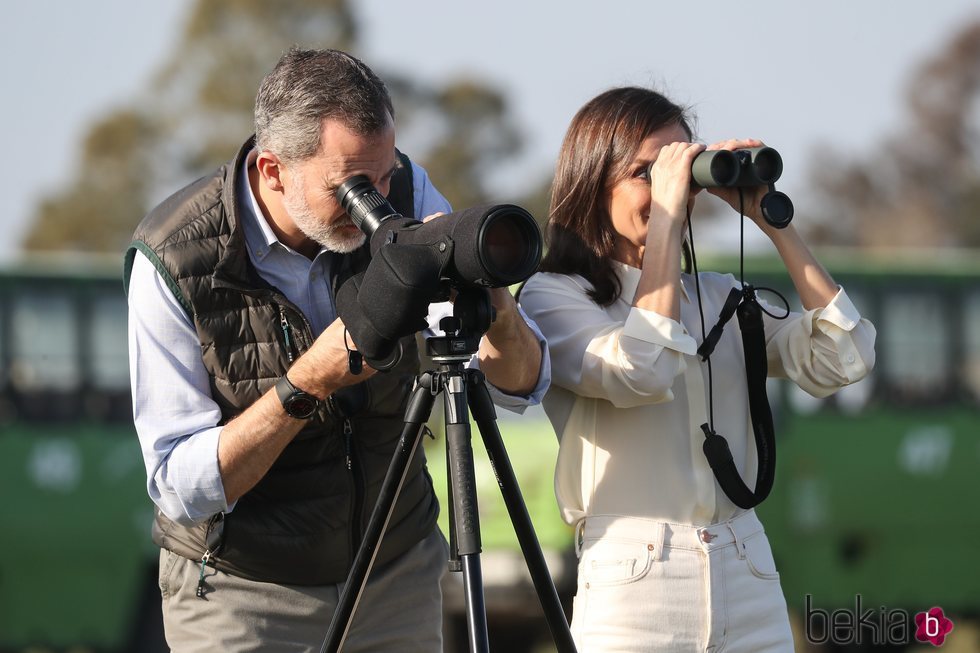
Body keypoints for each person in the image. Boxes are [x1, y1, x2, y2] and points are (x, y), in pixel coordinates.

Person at [124, 47, 549, 652]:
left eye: (383, 176)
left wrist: (498, 311)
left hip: (392, 573)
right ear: (273, 170)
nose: (377, 204)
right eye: (351, 187)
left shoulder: (404, 187)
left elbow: (520, 384)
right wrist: (303, 387)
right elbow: (178, 485)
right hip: (246, 593)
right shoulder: (172, 259)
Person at [518, 86, 876, 652]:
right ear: (593, 181)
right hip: (635, 581)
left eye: (686, 169)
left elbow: (844, 357)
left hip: (746, 566)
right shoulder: (553, 298)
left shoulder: (717, 294)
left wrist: (773, 222)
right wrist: (665, 218)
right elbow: (642, 370)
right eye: (650, 172)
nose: (678, 190)